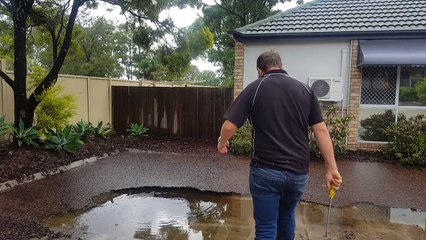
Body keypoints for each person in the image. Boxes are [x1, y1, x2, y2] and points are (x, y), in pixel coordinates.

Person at [217, 51, 342, 240]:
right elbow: (321, 131)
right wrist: (331, 168)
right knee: (286, 217)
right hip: (298, 173)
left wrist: (222, 143)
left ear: (260, 71)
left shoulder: (255, 88)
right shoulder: (305, 90)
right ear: (280, 65)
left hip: (266, 170)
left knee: (267, 226)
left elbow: (228, 126)